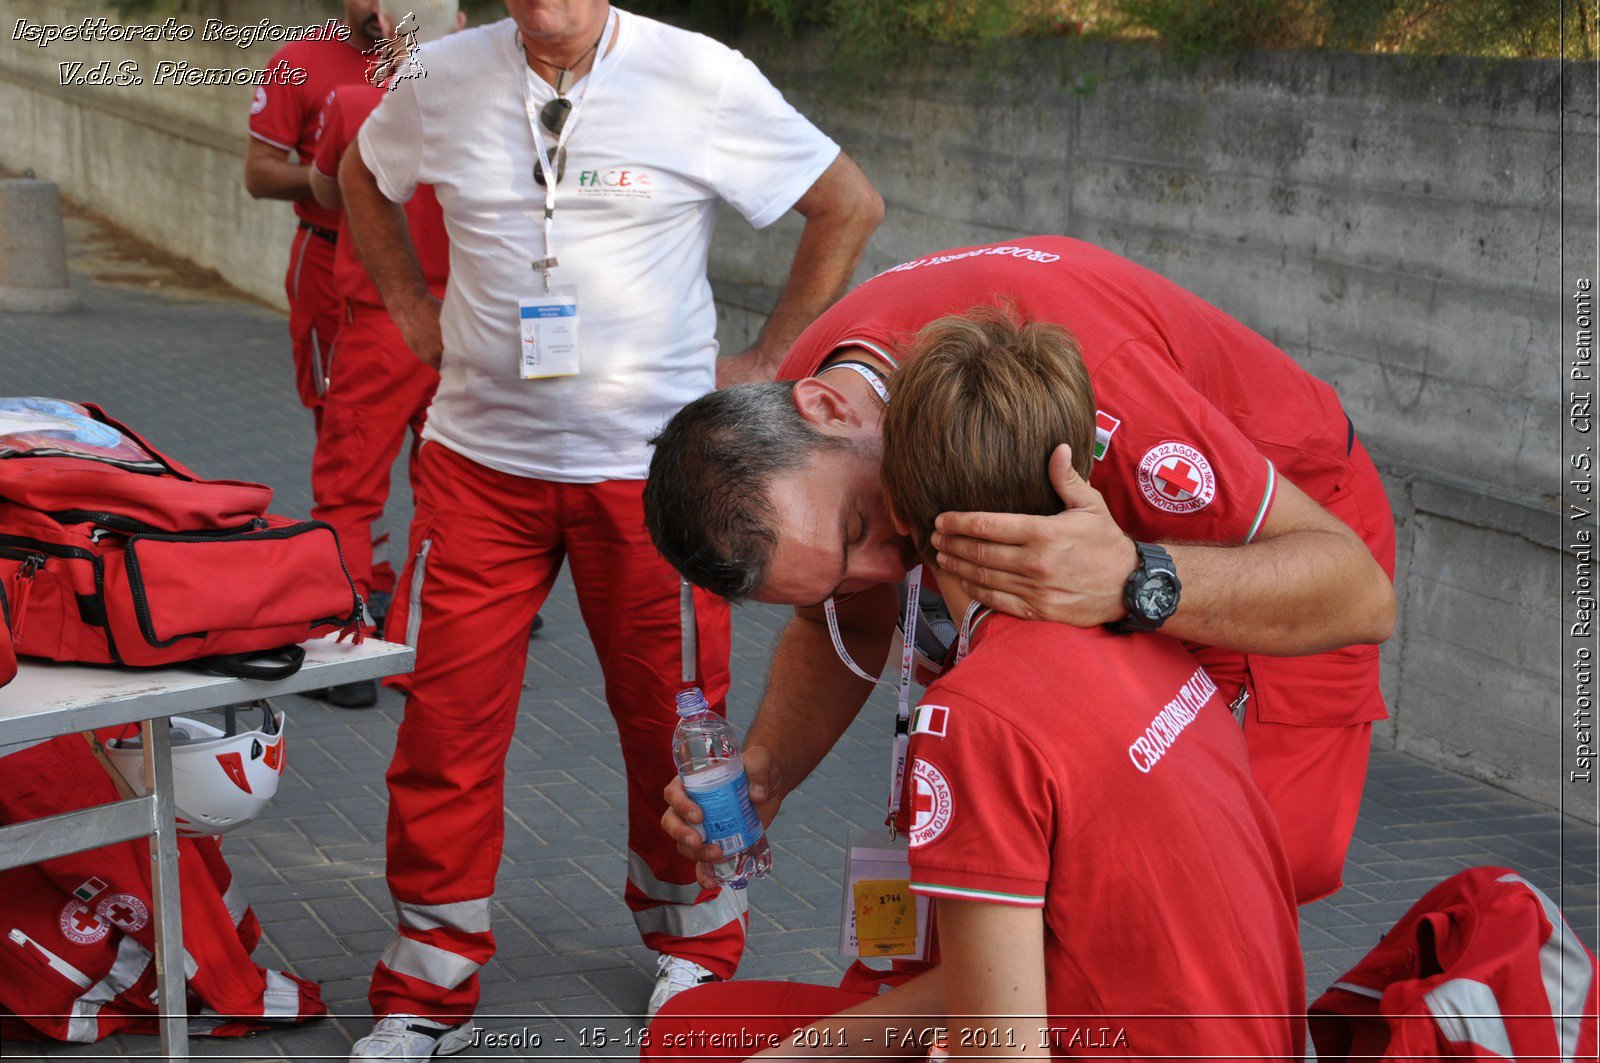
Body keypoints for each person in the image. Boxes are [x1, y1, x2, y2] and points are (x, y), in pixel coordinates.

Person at [339, 0, 883, 1055]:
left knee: (675, 727)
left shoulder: (698, 76)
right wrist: (407, 304)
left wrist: (770, 361)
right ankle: (428, 985)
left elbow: (846, 203)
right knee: (444, 729)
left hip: (653, 476)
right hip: (477, 468)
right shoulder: (440, 77)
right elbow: (362, 174)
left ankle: (696, 946)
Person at [646, 235, 1397, 907]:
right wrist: (771, 765)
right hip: (1115, 557)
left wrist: (1136, 579)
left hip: (1282, 535)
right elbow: (846, 622)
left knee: (1232, 872)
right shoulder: (821, 415)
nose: (893, 561)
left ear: (825, 408)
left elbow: (1359, 592)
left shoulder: (1107, 392)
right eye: (839, 578)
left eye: (858, 526)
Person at [645, 310, 1305, 1062]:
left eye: (854, 530)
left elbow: (1000, 1047)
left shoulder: (976, 715)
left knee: (688, 1039)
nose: (867, 581)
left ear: (899, 499)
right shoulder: (1158, 632)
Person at [305, 3, 462, 707]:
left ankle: (347, 648)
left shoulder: (354, 103)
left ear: (390, 27)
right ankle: (424, 647)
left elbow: (327, 193)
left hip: (380, 318)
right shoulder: (500, 110)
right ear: (457, 25)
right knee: (447, 488)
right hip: (464, 326)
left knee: (348, 486)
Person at [245, 0, 394, 707]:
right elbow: (258, 172)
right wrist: (329, 173)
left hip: (436, 278)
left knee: (449, 446)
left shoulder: (453, 62)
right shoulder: (299, 62)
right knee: (344, 442)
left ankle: (422, 591)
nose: (374, 6)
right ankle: (353, 606)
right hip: (335, 268)